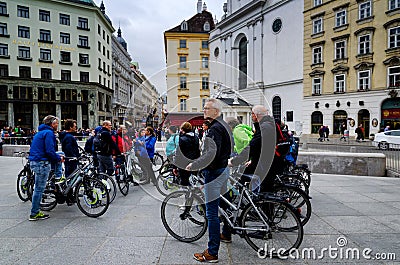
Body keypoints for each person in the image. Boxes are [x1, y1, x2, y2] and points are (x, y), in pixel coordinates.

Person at [186, 98, 233, 263]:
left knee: (212, 213)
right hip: (223, 169)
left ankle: (212, 252)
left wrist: (195, 164)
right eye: (204, 108)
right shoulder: (224, 126)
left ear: (216, 111)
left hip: (214, 173)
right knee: (224, 205)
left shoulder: (214, 129)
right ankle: (227, 233)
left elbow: (211, 154)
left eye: (207, 108)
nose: (204, 111)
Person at [28, 115, 64, 221]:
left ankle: (57, 175)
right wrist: (58, 159)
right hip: (42, 163)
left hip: (37, 161)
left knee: (61, 154)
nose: (57, 125)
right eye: (56, 123)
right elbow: (49, 151)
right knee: (39, 189)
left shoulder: (41, 132)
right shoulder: (49, 133)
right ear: (52, 124)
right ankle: (34, 213)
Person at [175, 122, 200, 186]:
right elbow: (198, 151)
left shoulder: (182, 139)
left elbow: (178, 154)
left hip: (184, 164)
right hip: (194, 163)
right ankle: (192, 194)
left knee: (185, 182)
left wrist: (174, 166)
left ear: (183, 130)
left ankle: (188, 194)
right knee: (193, 181)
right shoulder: (196, 138)